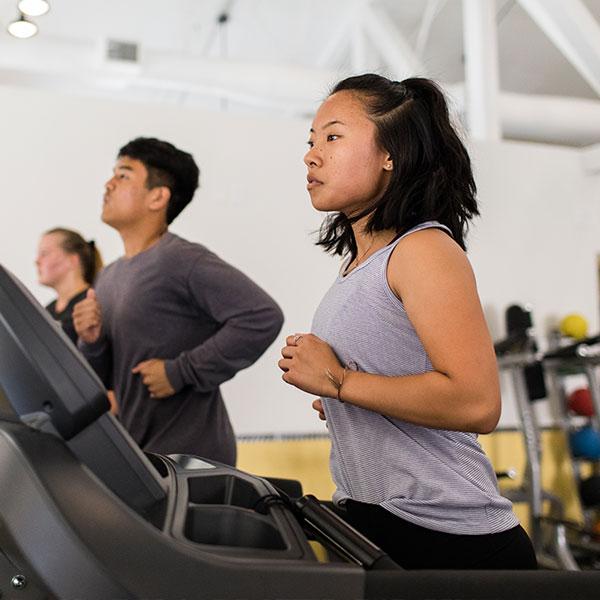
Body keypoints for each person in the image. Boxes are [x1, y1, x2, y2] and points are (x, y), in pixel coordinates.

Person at [278, 74, 537, 570]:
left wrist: (341, 382)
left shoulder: (423, 250)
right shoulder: (360, 263)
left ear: (390, 153)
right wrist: (349, 402)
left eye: (333, 137)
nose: (311, 155)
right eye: (311, 142)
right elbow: (399, 383)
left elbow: (477, 403)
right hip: (379, 518)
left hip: (449, 535)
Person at [73, 137, 283, 465]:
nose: (108, 184)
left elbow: (262, 316)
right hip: (140, 455)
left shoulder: (182, 260)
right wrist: (91, 341)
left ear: (158, 196)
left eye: (124, 175)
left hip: (192, 460)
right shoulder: (109, 276)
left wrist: (180, 371)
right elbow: (107, 382)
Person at [37, 227, 103, 344]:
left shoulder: (94, 303)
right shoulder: (46, 311)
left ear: (72, 260)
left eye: (44, 253)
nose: (37, 261)